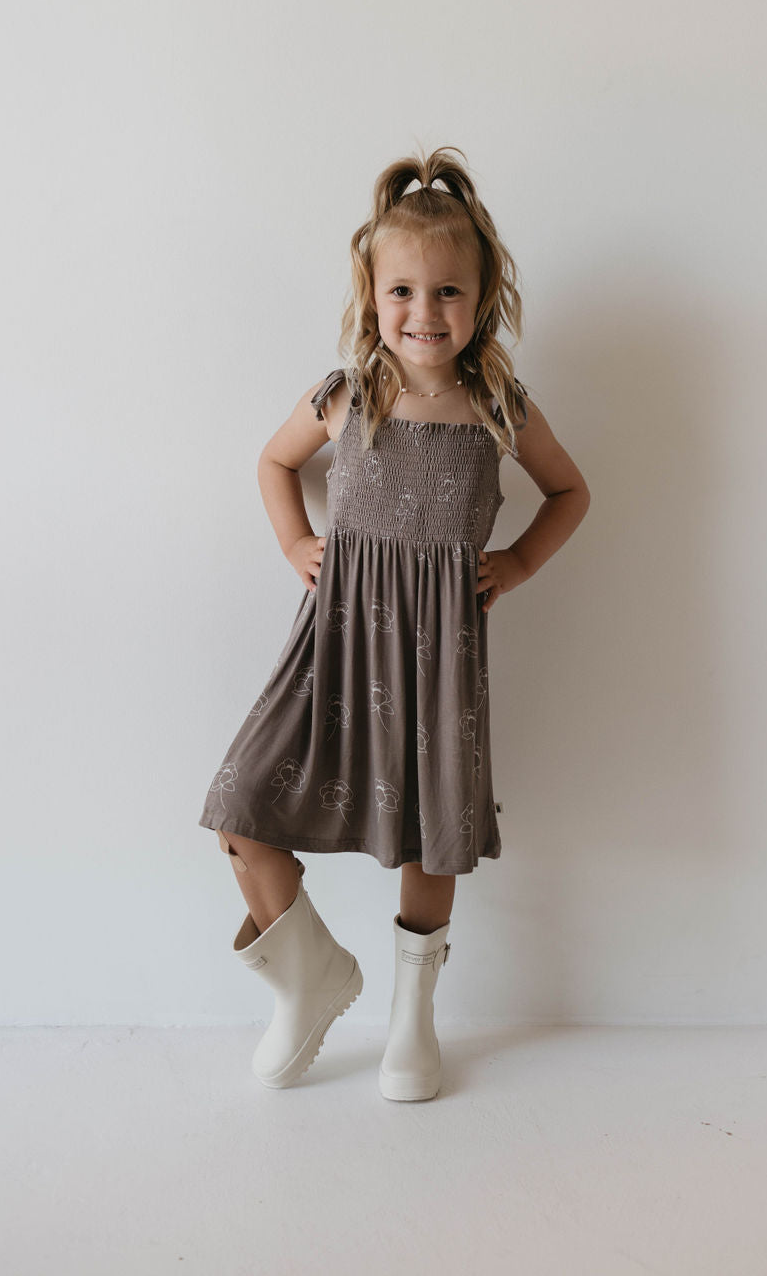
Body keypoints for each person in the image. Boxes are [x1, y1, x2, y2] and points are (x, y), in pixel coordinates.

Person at [199, 145, 590, 1099]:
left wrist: (522, 560)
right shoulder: (346, 397)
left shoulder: (497, 405)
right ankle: (310, 977)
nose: (425, 313)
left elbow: (570, 490)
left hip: (438, 660)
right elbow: (272, 463)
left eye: (448, 291)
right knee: (239, 809)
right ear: (372, 297)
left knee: (430, 831)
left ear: (482, 295)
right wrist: (297, 543)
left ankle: (414, 1016)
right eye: (403, 291)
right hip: (334, 650)